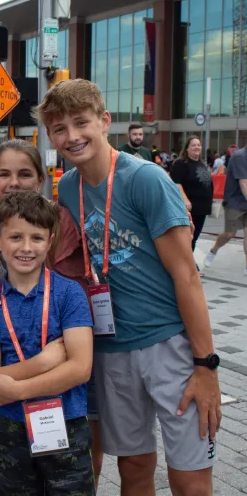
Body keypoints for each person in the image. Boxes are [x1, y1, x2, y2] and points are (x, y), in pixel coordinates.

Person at [38, 78, 221, 496]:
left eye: (81, 123)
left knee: (191, 480)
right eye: (60, 128)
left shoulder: (145, 179)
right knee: (135, 467)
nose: (72, 136)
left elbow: (187, 276)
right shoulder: (67, 188)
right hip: (112, 349)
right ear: (51, 136)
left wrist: (205, 365)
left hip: (168, 345)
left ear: (104, 122)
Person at [0, 138, 104, 486]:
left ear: (40, 178)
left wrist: (17, 387)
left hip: (64, 414)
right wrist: (45, 361)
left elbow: (79, 367)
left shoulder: (67, 291)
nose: (13, 182)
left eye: (24, 173)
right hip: (12, 424)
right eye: (4, 174)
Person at [204, 145, 247, 278]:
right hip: (235, 201)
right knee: (229, 233)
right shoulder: (240, 156)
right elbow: (243, 182)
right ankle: (214, 250)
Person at [170, 135, 213, 256]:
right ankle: (185, 263)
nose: (196, 147)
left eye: (198, 145)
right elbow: (176, 183)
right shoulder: (181, 164)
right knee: (187, 236)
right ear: (187, 148)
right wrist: (185, 199)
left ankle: (189, 261)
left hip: (202, 208)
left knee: (195, 236)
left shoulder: (201, 164)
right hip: (189, 207)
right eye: (193, 145)